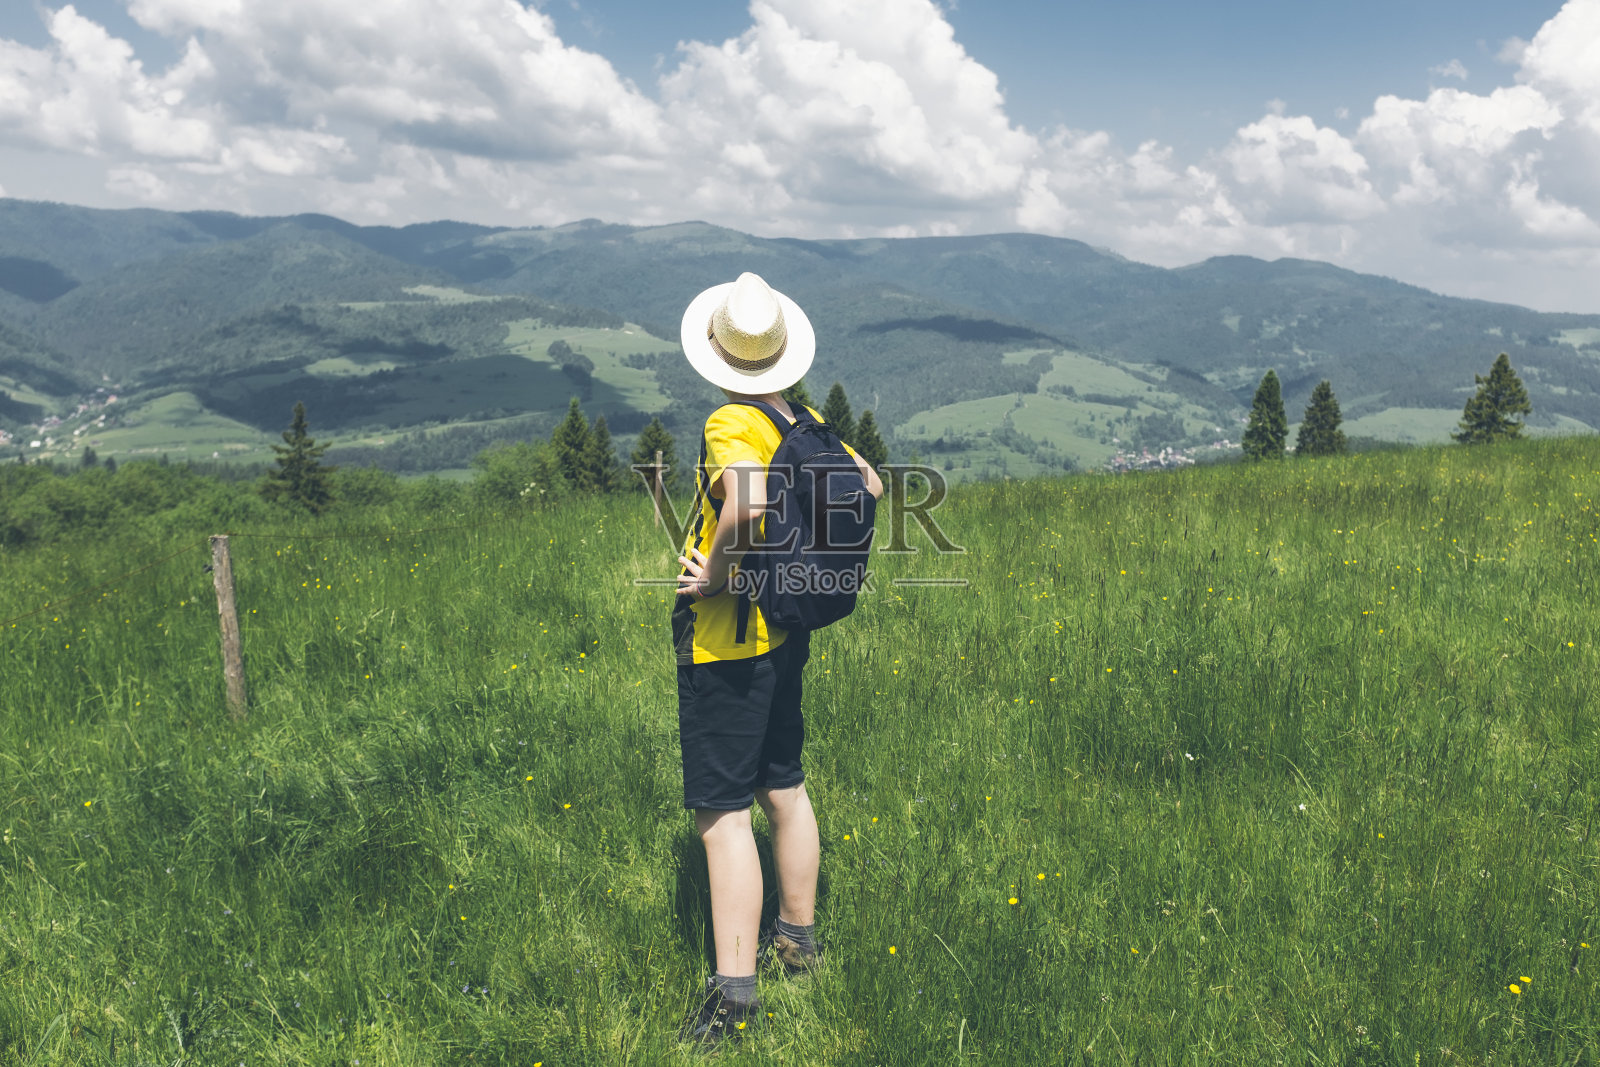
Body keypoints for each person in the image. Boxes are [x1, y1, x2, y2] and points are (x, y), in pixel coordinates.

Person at [671, 272, 883, 1043]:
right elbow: (870, 483)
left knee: (723, 815)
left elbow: (750, 500)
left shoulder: (732, 418)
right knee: (783, 786)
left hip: (727, 640)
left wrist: (719, 574)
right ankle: (797, 941)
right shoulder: (805, 417)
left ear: (719, 350)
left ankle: (732, 1002)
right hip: (786, 631)